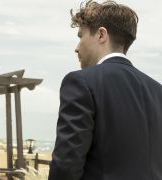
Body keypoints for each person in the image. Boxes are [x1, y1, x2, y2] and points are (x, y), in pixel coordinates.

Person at [48, 1, 162, 180]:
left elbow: (66, 167)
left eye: (80, 36)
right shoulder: (158, 91)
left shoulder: (80, 82)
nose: (77, 48)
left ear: (101, 34)